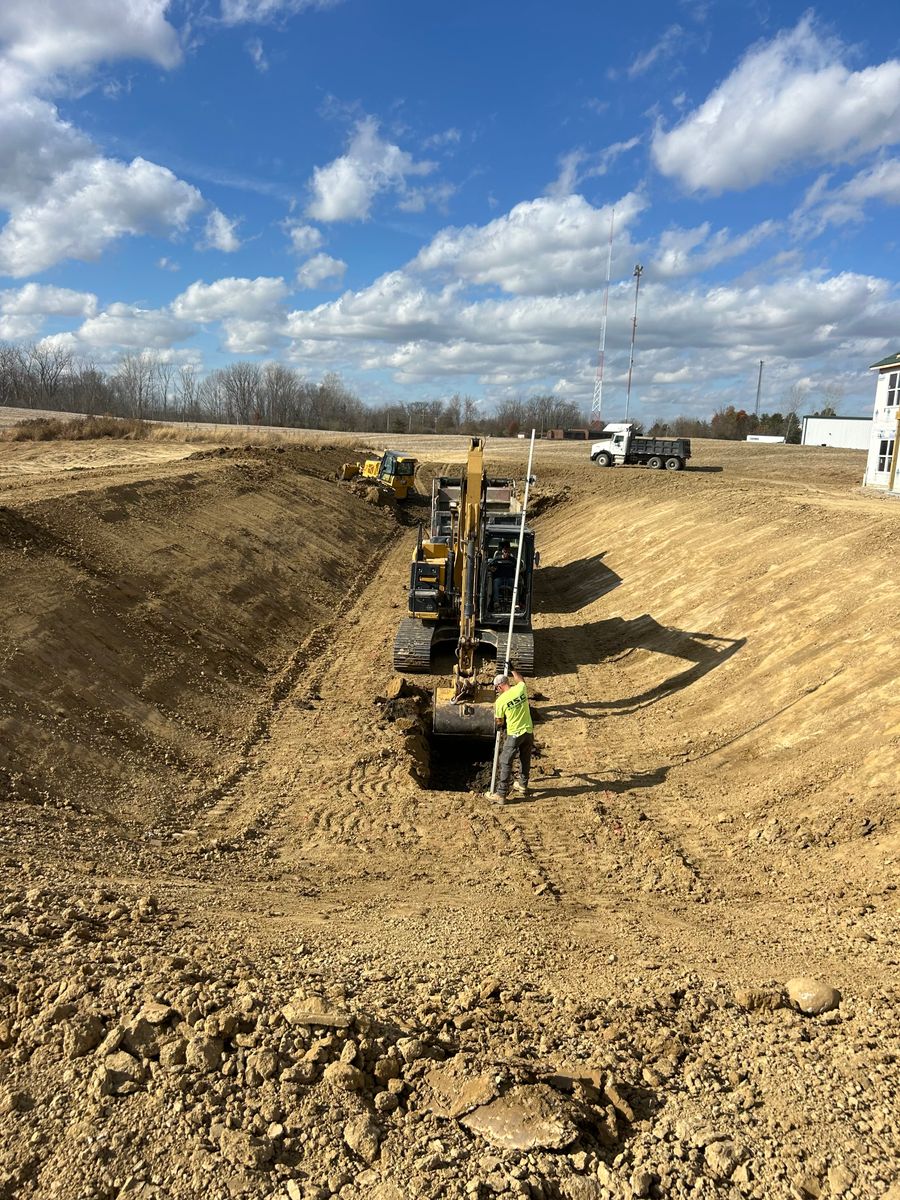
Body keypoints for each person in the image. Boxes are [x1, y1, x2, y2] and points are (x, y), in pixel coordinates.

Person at [486, 671, 533, 805]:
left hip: (514, 734)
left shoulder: (500, 701)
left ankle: (501, 794)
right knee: (525, 758)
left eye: (496, 688)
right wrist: (513, 670)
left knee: (506, 761)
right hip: (528, 731)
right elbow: (520, 679)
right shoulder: (520, 689)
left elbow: (499, 721)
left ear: (499, 687)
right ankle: (523, 785)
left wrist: (501, 725)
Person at [488, 542, 516, 610]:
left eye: (508, 551)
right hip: (499, 579)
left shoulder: (512, 560)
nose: (506, 553)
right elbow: (488, 565)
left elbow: (519, 566)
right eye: (505, 551)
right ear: (502, 551)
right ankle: (496, 602)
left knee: (516, 583)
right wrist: (491, 569)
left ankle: (516, 603)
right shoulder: (497, 559)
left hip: (510, 579)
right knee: (495, 582)